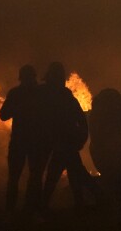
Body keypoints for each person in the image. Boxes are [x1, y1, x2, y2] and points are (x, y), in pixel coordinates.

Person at [40, 62, 102, 210]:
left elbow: (79, 119)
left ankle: (42, 206)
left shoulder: (60, 97)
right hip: (66, 142)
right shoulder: (63, 96)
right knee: (76, 173)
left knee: (56, 175)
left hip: (64, 142)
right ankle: (86, 201)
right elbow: (81, 119)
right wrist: (81, 137)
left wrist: (81, 137)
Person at [0, 65, 49, 213]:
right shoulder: (29, 94)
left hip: (29, 142)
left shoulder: (35, 93)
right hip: (24, 142)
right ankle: (18, 211)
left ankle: (28, 210)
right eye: (29, 77)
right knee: (21, 178)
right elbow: (3, 115)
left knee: (31, 177)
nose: (30, 80)